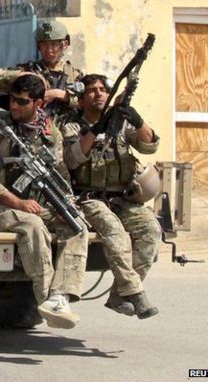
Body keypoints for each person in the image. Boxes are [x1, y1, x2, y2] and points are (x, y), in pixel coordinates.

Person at [0, 73, 87, 329]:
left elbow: (59, 171)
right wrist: (17, 203)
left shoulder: (49, 132)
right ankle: (46, 299)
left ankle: (60, 295)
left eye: (22, 102)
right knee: (31, 226)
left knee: (76, 225)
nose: (13, 106)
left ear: (38, 104)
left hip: (33, 204)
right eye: (12, 100)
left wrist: (67, 200)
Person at [63, 74, 161, 318]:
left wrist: (137, 121)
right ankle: (135, 293)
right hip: (89, 199)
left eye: (103, 90)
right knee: (114, 232)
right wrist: (97, 130)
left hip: (123, 199)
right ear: (82, 100)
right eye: (92, 91)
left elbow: (149, 145)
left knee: (150, 230)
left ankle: (119, 296)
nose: (99, 94)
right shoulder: (72, 126)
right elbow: (73, 158)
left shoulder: (122, 126)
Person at [0, 19, 83, 121]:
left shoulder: (74, 76)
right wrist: (23, 75)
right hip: (29, 130)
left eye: (54, 44)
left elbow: (88, 105)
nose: (49, 50)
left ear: (65, 45)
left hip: (66, 132)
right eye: (44, 44)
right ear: (38, 46)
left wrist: (60, 94)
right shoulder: (29, 69)